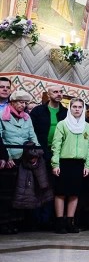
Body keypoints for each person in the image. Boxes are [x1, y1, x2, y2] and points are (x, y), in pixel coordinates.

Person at [51, 98, 89, 234]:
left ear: (83, 109)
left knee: (75, 194)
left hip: (79, 163)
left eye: (80, 107)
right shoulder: (62, 124)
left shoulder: (87, 127)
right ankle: (59, 222)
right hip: (64, 162)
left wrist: (88, 165)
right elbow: (56, 145)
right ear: (70, 108)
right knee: (61, 193)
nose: (77, 109)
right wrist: (55, 163)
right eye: (74, 106)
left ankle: (70, 221)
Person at [0, 90, 40, 234]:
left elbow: (32, 135)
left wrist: (36, 152)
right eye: (20, 102)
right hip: (8, 160)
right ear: (12, 103)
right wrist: (7, 156)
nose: (23, 105)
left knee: (20, 192)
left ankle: (16, 222)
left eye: (25, 103)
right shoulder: (2, 115)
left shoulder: (26, 118)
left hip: (24, 160)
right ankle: (4, 222)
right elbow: (1, 137)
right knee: (6, 193)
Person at [30, 85, 67, 166]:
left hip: (61, 151)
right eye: (55, 92)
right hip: (41, 150)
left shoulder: (67, 113)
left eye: (61, 92)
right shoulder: (38, 110)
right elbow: (31, 131)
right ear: (48, 95)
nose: (59, 94)